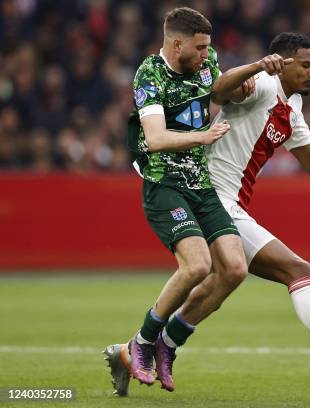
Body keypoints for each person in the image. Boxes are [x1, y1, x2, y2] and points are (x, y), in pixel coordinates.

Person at [106, 31, 310, 396]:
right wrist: (258, 66)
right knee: (296, 270)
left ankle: (138, 349)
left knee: (228, 274)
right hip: (210, 193)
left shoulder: (292, 109)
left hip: (229, 203)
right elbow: (219, 90)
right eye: (306, 65)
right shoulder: (261, 84)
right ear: (283, 64)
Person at [103, 7, 289, 395]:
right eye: (200, 48)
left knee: (235, 269)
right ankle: (140, 342)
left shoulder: (207, 61)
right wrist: (202, 137)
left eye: (209, 48)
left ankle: (166, 345)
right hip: (163, 182)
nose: (207, 54)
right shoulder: (149, 74)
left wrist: (249, 76)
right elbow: (154, 139)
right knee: (197, 266)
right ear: (176, 44)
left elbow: (219, 87)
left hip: (200, 183)